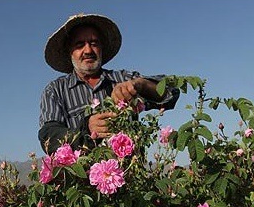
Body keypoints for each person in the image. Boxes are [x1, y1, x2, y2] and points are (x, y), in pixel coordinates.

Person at [39, 13, 179, 154]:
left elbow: (171, 92)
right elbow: (48, 135)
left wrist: (140, 85)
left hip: (127, 173)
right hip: (82, 174)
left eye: (94, 43)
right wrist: (86, 129)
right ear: (70, 52)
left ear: (102, 48)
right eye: (80, 45)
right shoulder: (56, 90)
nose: (88, 50)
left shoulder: (123, 78)